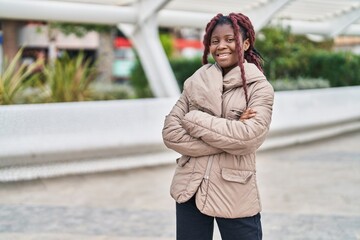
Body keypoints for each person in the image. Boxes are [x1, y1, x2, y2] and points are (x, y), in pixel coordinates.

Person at [162, 12, 274, 240]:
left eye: (229, 39)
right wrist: (230, 134)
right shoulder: (195, 82)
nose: (221, 46)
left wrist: (194, 119)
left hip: (235, 191)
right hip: (190, 189)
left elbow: (249, 138)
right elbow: (171, 134)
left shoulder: (259, 88)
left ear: (245, 43)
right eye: (215, 41)